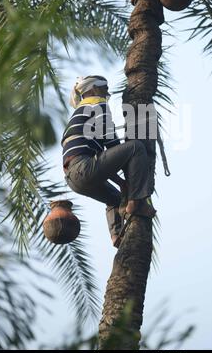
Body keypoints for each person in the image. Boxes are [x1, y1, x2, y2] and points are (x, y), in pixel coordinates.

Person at [62, 75, 155, 248]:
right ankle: (136, 203)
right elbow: (110, 141)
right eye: (104, 89)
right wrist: (129, 155)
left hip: (74, 179)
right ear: (93, 89)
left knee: (114, 198)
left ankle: (116, 236)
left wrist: (121, 182)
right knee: (136, 147)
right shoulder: (96, 104)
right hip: (84, 167)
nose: (106, 94)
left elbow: (102, 160)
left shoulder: (81, 111)